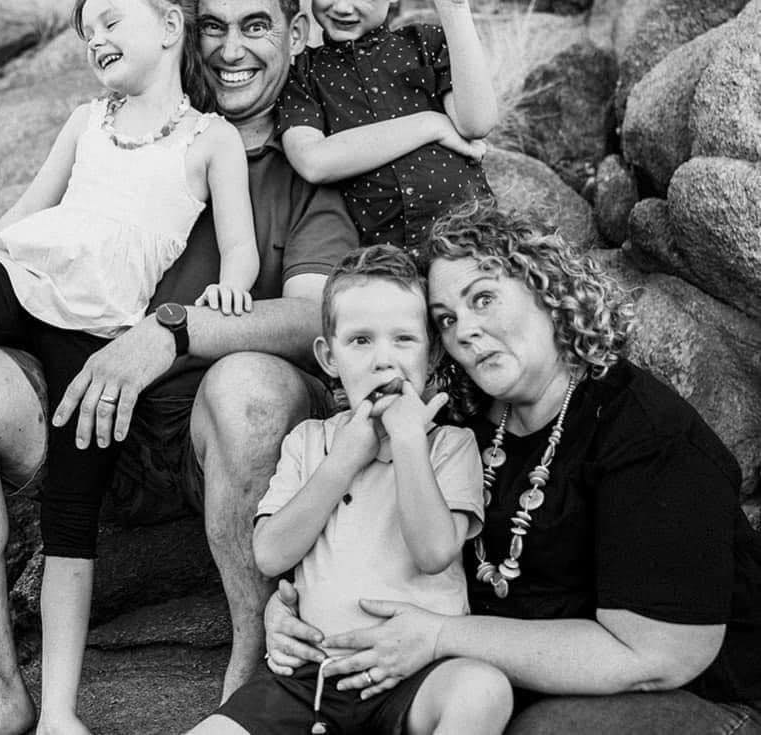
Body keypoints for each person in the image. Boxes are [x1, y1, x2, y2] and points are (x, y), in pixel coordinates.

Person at [0, 0, 358, 735]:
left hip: (209, 438)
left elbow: (316, 315)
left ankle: (250, 678)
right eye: (214, 26)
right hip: (84, 397)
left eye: (256, 26)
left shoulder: (301, 170)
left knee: (248, 382)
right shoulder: (108, 129)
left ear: (296, 32)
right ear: (187, 30)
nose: (228, 47)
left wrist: (173, 331)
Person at [264, 201, 761, 735]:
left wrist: (438, 637)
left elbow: (657, 657)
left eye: (483, 298)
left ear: (547, 290)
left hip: (700, 699)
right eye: (446, 320)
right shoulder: (461, 427)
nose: (465, 332)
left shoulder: (646, 433)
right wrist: (298, 614)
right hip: (497, 682)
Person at [191, 244, 510, 735]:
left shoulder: (450, 445)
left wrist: (407, 441)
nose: (385, 360)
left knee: (484, 690)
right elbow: (270, 556)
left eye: (404, 339)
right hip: (312, 678)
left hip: (416, 674)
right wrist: (345, 458)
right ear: (329, 357)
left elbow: (433, 552)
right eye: (361, 341)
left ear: (432, 353)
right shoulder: (310, 441)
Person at [277, 0, 498, 250]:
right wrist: (432, 124)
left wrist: (453, 5)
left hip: (470, 237)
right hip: (384, 261)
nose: (342, 6)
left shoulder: (426, 43)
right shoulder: (303, 71)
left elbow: (477, 123)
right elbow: (314, 161)